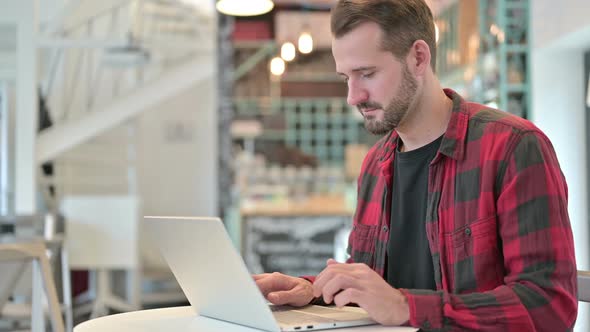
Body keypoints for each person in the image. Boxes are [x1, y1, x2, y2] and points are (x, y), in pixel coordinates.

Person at [254, 0, 578, 330]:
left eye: (367, 74)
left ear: (419, 58)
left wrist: (407, 306)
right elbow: (374, 287)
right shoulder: (374, 165)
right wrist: (312, 290)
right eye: (345, 78)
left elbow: (549, 306)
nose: (353, 96)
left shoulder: (513, 147)